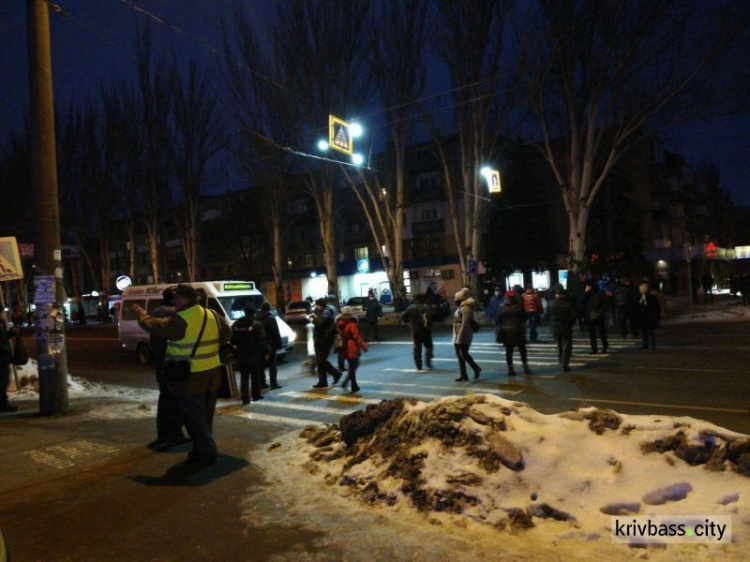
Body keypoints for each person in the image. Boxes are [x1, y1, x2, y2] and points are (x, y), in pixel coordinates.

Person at [133, 284, 232, 466]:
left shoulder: (181, 319)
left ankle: (208, 453)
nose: (174, 301)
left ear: (186, 299)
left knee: (194, 419)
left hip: (191, 378)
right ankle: (199, 449)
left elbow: (157, 327)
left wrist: (142, 315)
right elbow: (227, 333)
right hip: (212, 375)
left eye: (177, 298)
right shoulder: (212, 315)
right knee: (204, 417)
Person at [146, 286, 189, 451]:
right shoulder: (176, 314)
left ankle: (162, 435)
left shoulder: (155, 312)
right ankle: (174, 435)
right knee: (176, 401)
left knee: (164, 399)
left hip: (160, 363)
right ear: (174, 299)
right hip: (175, 363)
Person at [231, 306, 270, 404]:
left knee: (244, 376)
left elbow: (232, 339)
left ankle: (245, 398)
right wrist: (266, 351)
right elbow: (262, 340)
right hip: (254, 354)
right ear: (254, 314)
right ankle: (256, 395)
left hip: (241, 354)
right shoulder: (257, 324)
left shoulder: (235, 324)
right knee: (255, 376)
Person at [497, 290, 530, 376]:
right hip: (518, 330)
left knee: (509, 351)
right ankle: (525, 367)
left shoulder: (502, 307)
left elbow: (498, 320)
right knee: (522, 349)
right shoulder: (519, 307)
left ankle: (510, 369)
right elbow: (525, 318)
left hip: (506, 332)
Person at [311, 298, 342, 388]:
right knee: (320, 361)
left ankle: (334, 374)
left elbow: (319, 323)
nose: (316, 306)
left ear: (321, 306)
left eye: (317, 305)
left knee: (321, 361)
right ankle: (323, 380)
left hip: (325, 340)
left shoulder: (326, 312)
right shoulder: (319, 312)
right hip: (319, 340)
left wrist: (313, 318)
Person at [336, 306, 368, 393]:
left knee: (352, 367)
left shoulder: (339, 322)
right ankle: (351, 385)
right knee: (354, 367)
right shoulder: (351, 324)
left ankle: (352, 385)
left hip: (343, 348)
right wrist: (364, 346)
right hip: (352, 348)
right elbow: (357, 337)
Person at [452, 287, 481, 381]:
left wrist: (459, 338)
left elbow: (465, 324)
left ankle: (476, 368)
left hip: (464, 333)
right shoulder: (460, 307)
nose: (455, 301)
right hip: (457, 332)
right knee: (459, 355)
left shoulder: (466, 308)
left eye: (456, 300)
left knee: (464, 354)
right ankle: (463, 374)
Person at [401, 294, 434, 371]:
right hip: (426, 330)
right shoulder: (426, 307)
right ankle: (428, 361)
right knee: (429, 346)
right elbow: (431, 317)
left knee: (417, 348)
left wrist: (408, 323)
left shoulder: (411, 307)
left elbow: (403, 316)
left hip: (415, 330)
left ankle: (418, 365)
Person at [548, 287, 576, 372]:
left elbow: (546, 315)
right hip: (566, 328)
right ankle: (565, 365)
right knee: (566, 346)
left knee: (559, 345)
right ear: (563, 295)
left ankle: (561, 362)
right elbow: (573, 316)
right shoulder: (568, 304)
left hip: (555, 328)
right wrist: (570, 324)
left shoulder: (551, 304)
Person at [258, 302, 283, 390]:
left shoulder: (257, 317)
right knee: (272, 364)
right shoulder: (271, 318)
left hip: (261, 345)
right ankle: (273, 383)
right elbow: (275, 333)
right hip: (270, 344)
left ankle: (263, 383)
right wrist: (279, 344)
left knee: (261, 365)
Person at [582, 279, 609, 354]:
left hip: (599, 315)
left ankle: (605, 346)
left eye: (588, 286)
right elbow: (581, 302)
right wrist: (586, 293)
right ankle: (594, 349)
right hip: (590, 316)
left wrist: (601, 312)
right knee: (591, 333)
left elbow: (606, 303)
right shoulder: (587, 294)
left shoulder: (600, 293)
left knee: (601, 332)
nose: (587, 287)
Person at [634, 282, 661, 349]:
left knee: (650, 331)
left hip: (649, 317)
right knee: (644, 331)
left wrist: (657, 316)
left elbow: (656, 307)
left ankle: (652, 344)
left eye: (642, 289)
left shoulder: (651, 298)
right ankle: (646, 344)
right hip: (643, 317)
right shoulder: (639, 298)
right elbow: (636, 307)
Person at [0, 320, 19, 412]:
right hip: (1, 359)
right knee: (2, 381)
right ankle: (3, 404)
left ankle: (3, 402)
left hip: (3, 358)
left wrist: (10, 333)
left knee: (4, 380)